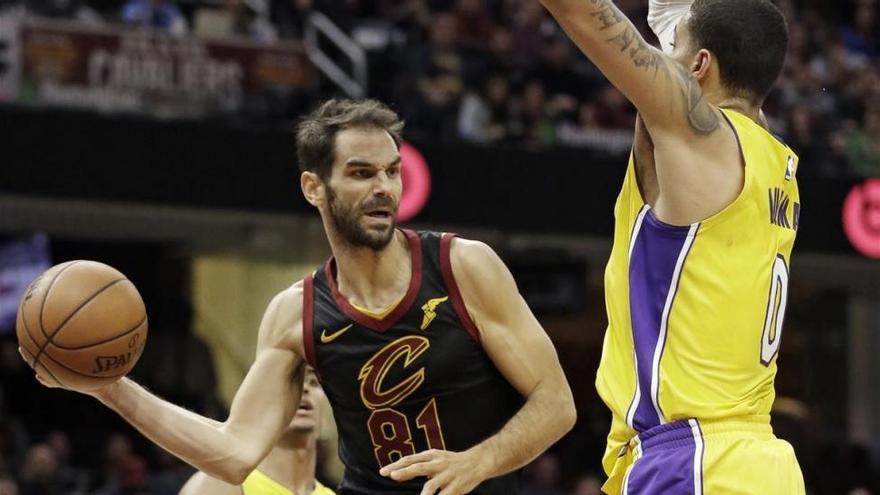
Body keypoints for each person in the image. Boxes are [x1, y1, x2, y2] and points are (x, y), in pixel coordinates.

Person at [20, 98, 576, 495]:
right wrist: (109, 388)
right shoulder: (297, 312)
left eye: (391, 172)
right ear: (315, 187)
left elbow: (556, 404)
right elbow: (234, 454)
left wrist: (477, 462)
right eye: (361, 173)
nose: (383, 187)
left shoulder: (463, 265)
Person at [539, 0, 805, 493]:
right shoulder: (770, 155)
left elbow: (580, 13)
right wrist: (681, 31)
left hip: (697, 460)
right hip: (760, 462)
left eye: (673, 48)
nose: (664, 57)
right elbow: (729, 51)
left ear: (700, 66)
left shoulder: (700, 137)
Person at [179, 367, 333, 495]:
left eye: (313, 382)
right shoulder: (219, 486)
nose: (304, 388)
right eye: (290, 381)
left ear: (325, 418)